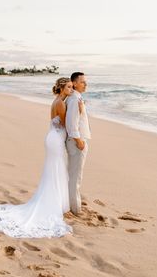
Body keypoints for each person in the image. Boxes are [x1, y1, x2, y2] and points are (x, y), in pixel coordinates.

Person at [0, 77, 74, 238]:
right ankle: (52, 204)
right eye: (68, 87)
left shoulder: (58, 100)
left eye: (72, 87)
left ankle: (56, 201)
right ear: (61, 88)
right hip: (55, 140)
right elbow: (68, 124)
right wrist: (79, 110)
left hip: (54, 137)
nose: (71, 90)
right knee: (55, 170)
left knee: (55, 170)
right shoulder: (60, 103)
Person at [65, 72, 91, 215]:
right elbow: (71, 124)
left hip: (78, 140)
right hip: (77, 142)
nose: (85, 84)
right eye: (82, 82)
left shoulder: (76, 98)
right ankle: (75, 208)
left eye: (85, 82)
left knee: (74, 175)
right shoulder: (74, 99)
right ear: (74, 83)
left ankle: (72, 204)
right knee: (75, 176)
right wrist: (79, 141)